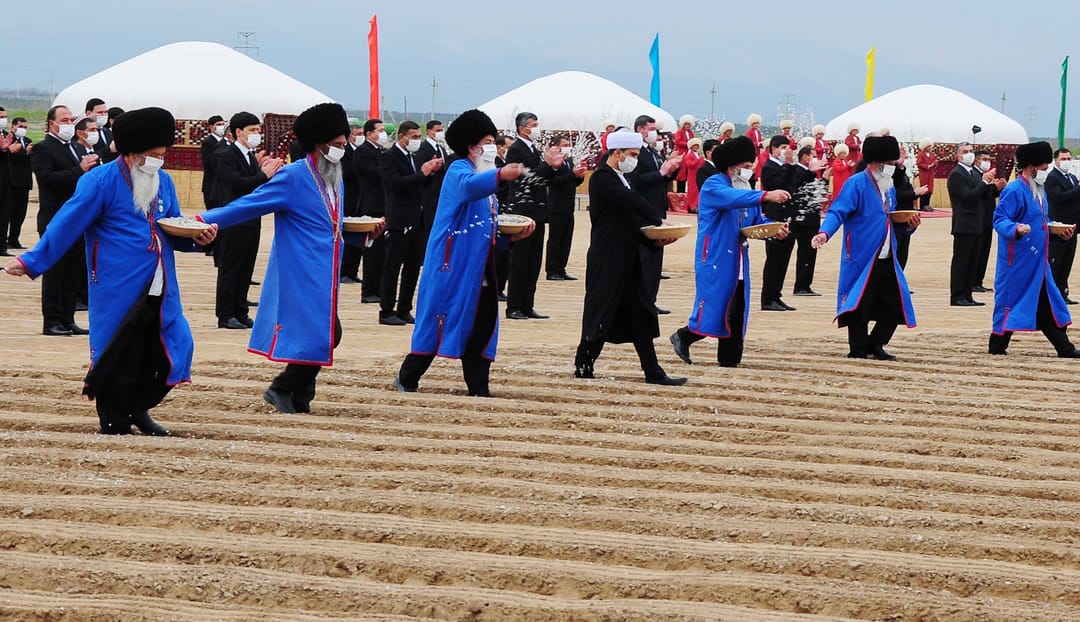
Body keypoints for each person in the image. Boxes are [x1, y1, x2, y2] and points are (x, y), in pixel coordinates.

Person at [4, 107, 219, 435]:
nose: (158, 161)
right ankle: (116, 417)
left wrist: (199, 239)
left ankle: (139, 407)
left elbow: (172, 225)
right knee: (119, 352)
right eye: (152, 155)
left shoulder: (164, 181)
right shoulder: (99, 181)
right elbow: (66, 224)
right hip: (116, 283)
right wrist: (31, 261)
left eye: (162, 154)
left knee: (175, 345)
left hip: (161, 281)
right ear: (131, 151)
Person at [199, 102, 386, 413]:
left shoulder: (334, 176)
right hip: (300, 270)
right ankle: (282, 387)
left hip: (327, 270)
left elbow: (332, 222)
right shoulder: (293, 176)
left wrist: (363, 232)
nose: (343, 150)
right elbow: (247, 205)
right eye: (339, 145)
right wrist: (202, 222)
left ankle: (299, 394)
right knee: (325, 332)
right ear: (320, 144)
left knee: (321, 332)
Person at [394, 109, 534, 396]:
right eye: (487, 141)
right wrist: (500, 174)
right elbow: (469, 190)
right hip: (452, 265)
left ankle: (479, 387)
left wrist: (511, 238)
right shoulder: (459, 170)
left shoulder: (484, 178)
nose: (492, 147)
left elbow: (485, 227)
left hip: (478, 268)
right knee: (438, 320)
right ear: (472, 146)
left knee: (481, 326)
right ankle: (408, 377)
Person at [574, 130, 686, 386]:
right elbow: (632, 202)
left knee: (640, 313)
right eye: (633, 155)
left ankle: (653, 371)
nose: (634, 159)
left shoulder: (622, 178)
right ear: (618, 153)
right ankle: (583, 364)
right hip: (608, 258)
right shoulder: (603, 178)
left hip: (628, 255)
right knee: (599, 312)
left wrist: (654, 238)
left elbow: (632, 218)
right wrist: (658, 220)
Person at [669, 136, 791, 368]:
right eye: (745, 167)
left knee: (738, 306)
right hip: (715, 255)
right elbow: (733, 199)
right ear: (732, 166)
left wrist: (774, 230)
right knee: (718, 302)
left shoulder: (744, 188)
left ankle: (730, 358)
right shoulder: (715, 185)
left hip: (737, 257)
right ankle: (685, 335)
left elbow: (755, 220)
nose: (749, 171)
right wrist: (766, 195)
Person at [810, 135, 919, 360]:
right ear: (877, 162)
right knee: (860, 303)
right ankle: (858, 349)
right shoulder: (856, 183)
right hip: (861, 253)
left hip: (888, 252)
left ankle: (876, 343)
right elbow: (837, 211)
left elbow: (893, 217)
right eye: (890, 163)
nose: (893, 167)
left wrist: (909, 225)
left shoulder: (889, 188)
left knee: (895, 303)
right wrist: (824, 233)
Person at [989, 141, 1080, 358]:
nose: (1046, 171)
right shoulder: (1014, 190)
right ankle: (997, 345)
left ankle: (1064, 347)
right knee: (1011, 300)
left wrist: (1057, 231)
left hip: (1038, 259)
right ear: (1031, 167)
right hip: (1017, 261)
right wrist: (1016, 228)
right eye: (1044, 167)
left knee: (1048, 301)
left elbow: (1041, 220)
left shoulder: (1038, 190)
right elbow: (1000, 219)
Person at [210, 111, 284, 330]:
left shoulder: (250, 155)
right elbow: (236, 184)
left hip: (251, 220)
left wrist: (264, 172)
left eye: (258, 130)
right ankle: (226, 314)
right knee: (230, 268)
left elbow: (254, 185)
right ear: (238, 132)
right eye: (252, 130)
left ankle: (240, 310)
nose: (256, 134)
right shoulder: (226, 154)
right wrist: (263, 175)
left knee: (246, 267)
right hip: (233, 219)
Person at [31, 104, 98, 336]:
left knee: (73, 270)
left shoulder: (76, 148)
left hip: (78, 219)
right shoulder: (43, 148)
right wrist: (79, 171)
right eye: (65, 119)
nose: (69, 123)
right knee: (55, 272)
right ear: (52, 123)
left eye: (71, 119)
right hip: (55, 218)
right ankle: (52, 321)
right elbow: (48, 179)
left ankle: (68, 318)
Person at [379, 120, 442, 326]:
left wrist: (431, 172)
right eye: (414, 137)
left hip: (418, 218)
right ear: (402, 137)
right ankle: (387, 310)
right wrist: (421, 173)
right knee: (392, 266)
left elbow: (421, 185)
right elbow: (395, 184)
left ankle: (404, 308)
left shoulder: (414, 157)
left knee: (413, 266)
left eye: (419, 137)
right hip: (399, 219)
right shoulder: (389, 157)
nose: (417, 141)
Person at [505, 112, 561, 320]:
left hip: (537, 212)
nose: (537, 128)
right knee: (520, 261)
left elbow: (542, 178)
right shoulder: (516, 150)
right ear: (522, 128)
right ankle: (514, 306)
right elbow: (526, 179)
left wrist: (553, 167)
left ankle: (528, 304)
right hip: (523, 211)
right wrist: (546, 164)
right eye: (533, 125)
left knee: (534, 260)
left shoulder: (533, 149)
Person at [629, 114, 681, 315]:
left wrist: (671, 168)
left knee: (654, 261)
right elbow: (637, 180)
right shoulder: (636, 153)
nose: (654, 133)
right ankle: (642, 301)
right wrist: (661, 172)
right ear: (640, 129)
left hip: (657, 209)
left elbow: (662, 175)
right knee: (645, 260)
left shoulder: (652, 151)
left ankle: (650, 300)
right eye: (651, 129)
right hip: (643, 210)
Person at [948, 142, 1001, 307]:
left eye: (971, 151)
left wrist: (995, 188)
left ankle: (968, 294)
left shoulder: (972, 173)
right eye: (965, 151)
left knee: (972, 261)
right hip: (964, 224)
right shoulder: (957, 174)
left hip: (977, 223)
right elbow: (967, 196)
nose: (969, 154)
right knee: (961, 261)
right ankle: (957, 295)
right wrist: (984, 182)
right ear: (958, 155)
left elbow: (983, 194)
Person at [759, 135, 797, 311]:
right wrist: (789, 166)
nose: (785, 151)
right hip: (774, 217)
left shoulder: (782, 167)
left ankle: (776, 295)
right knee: (774, 259)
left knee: (783, 260)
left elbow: (793, 185)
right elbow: (779, 185)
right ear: (773, 149)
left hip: (787, 218)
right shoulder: (769, 167)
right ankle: (768, 297)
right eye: (782, 147)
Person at [788, 145, 828, 296]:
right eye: (813, 156)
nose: (815, 159)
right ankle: (801, 286)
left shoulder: (807, 173)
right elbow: (802, 192)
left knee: (809, 253)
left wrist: (823, 179)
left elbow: (816, 194)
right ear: (805, 157)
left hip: (809, 219)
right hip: (802, 221)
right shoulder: (797, 171)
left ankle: (805, 284)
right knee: (805, 253)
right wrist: (814, 174)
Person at [545, 134, 585, 281]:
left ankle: (561, 268)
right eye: (564, 144)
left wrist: (578, 176)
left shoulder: (568, 160)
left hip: (568, 205)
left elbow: (571, 182)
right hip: (556, 206)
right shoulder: (552, 163)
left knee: (566, 238)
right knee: (555, 238)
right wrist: (571, 175)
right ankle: (552, 270)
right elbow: (553, 182)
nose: (567, 146)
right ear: (556, 146)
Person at [356, 118, 387, 304]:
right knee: (372, 251)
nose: (382, 134)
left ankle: (378, 289)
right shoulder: (363, 152)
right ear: (369, 134)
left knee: (382, 251)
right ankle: (368, 291)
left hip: (383, 204)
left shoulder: (381, 151)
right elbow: (373, 173)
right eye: (380, 130)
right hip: (371, 204)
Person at [1046, 148, 1080, 304]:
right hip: (1060, 227)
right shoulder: (1052, 178)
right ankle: (1053, 294)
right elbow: (1058, 197)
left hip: (1072, 227)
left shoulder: (1072, 177)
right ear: (1056, 160)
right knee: (1057, 262)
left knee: (1067, 262)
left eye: (1068, 158)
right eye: (1063, 159)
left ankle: (1063, 292)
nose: (1066, 161)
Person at [337, 123, 364, 284]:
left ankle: (352, 270)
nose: (360, 136)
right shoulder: (345, 152)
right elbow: (344, 172)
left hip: (359, 199)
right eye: (357, 133)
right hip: (348, 198)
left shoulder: (359, 151)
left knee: (358, 238)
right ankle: (344, 271)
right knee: (347, 237)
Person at [416, 119, 449, 238]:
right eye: (438, 130)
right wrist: (432, 169)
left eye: (442, 130)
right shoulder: (423, 148)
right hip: (429, 192)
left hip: (441, 191)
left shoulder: (441, 148)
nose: (441, 132)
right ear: (429, 131)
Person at [4, 117, 33, 250]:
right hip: (12, 183)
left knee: (20, 214)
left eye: (25, 127)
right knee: (8, 212)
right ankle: (3, 240)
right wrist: (25, 153)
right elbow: (11, 158)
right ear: (13, 126)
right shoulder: (8, 141)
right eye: (21, 126)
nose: (23, 130)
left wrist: (30, 153)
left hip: (24, 183)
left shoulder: (28, 142)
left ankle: (14, 239)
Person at [494, 135, 514, 299]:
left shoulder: (505, 164)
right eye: (508, 147)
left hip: (507, 208)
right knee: (498, 252)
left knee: (505, 253)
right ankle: (496, 287)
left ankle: (500, 286)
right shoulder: (495, 163)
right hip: (497, 210)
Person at [200, 115, 228, 208]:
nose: (222, 126)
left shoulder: (225, 142)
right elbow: (210, 163)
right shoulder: (208, 142)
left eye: (223, 124)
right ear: (211, 127)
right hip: (211, 185)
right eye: (219, 124)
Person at [84, 98, 117, 162]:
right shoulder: (84, 133)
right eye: (100, 112)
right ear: (88, 113)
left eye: (106, 112)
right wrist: (109, 150)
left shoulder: (109, 132)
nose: (104, 115)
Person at [682, 137, 706, 213]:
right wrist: (698, 160)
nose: (696, 147)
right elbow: (689, 165)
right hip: (692, 175)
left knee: (697, 190)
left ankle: (697, 205)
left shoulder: (698, 154)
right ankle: (691, 206)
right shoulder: (688, 155)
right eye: (694, 146)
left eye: (697, 145)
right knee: (692, 191)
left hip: (699, 174)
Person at [673, 114, 695, 193]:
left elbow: (693, 141)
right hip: (682, 154)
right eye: (686, 124)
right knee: (682, 172)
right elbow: (677, 142)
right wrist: (688, 144)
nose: (687, 125)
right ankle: (680, 190)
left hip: (689, 153)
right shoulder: (679, 132)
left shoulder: (691, 132)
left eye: (688, 124)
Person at [916, 138, 938, 211]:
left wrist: (934, 164)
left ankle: (927, 205)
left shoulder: (932, 154)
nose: (930, 148)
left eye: (930, 146)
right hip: (924, 174)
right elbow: (919, 164)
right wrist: (927, 166)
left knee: (930, 190)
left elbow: (935, 162)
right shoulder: (921, 154)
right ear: (924, 147)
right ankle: (922, 206)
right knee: (924, 190)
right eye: (928, 146)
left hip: (931, 174)